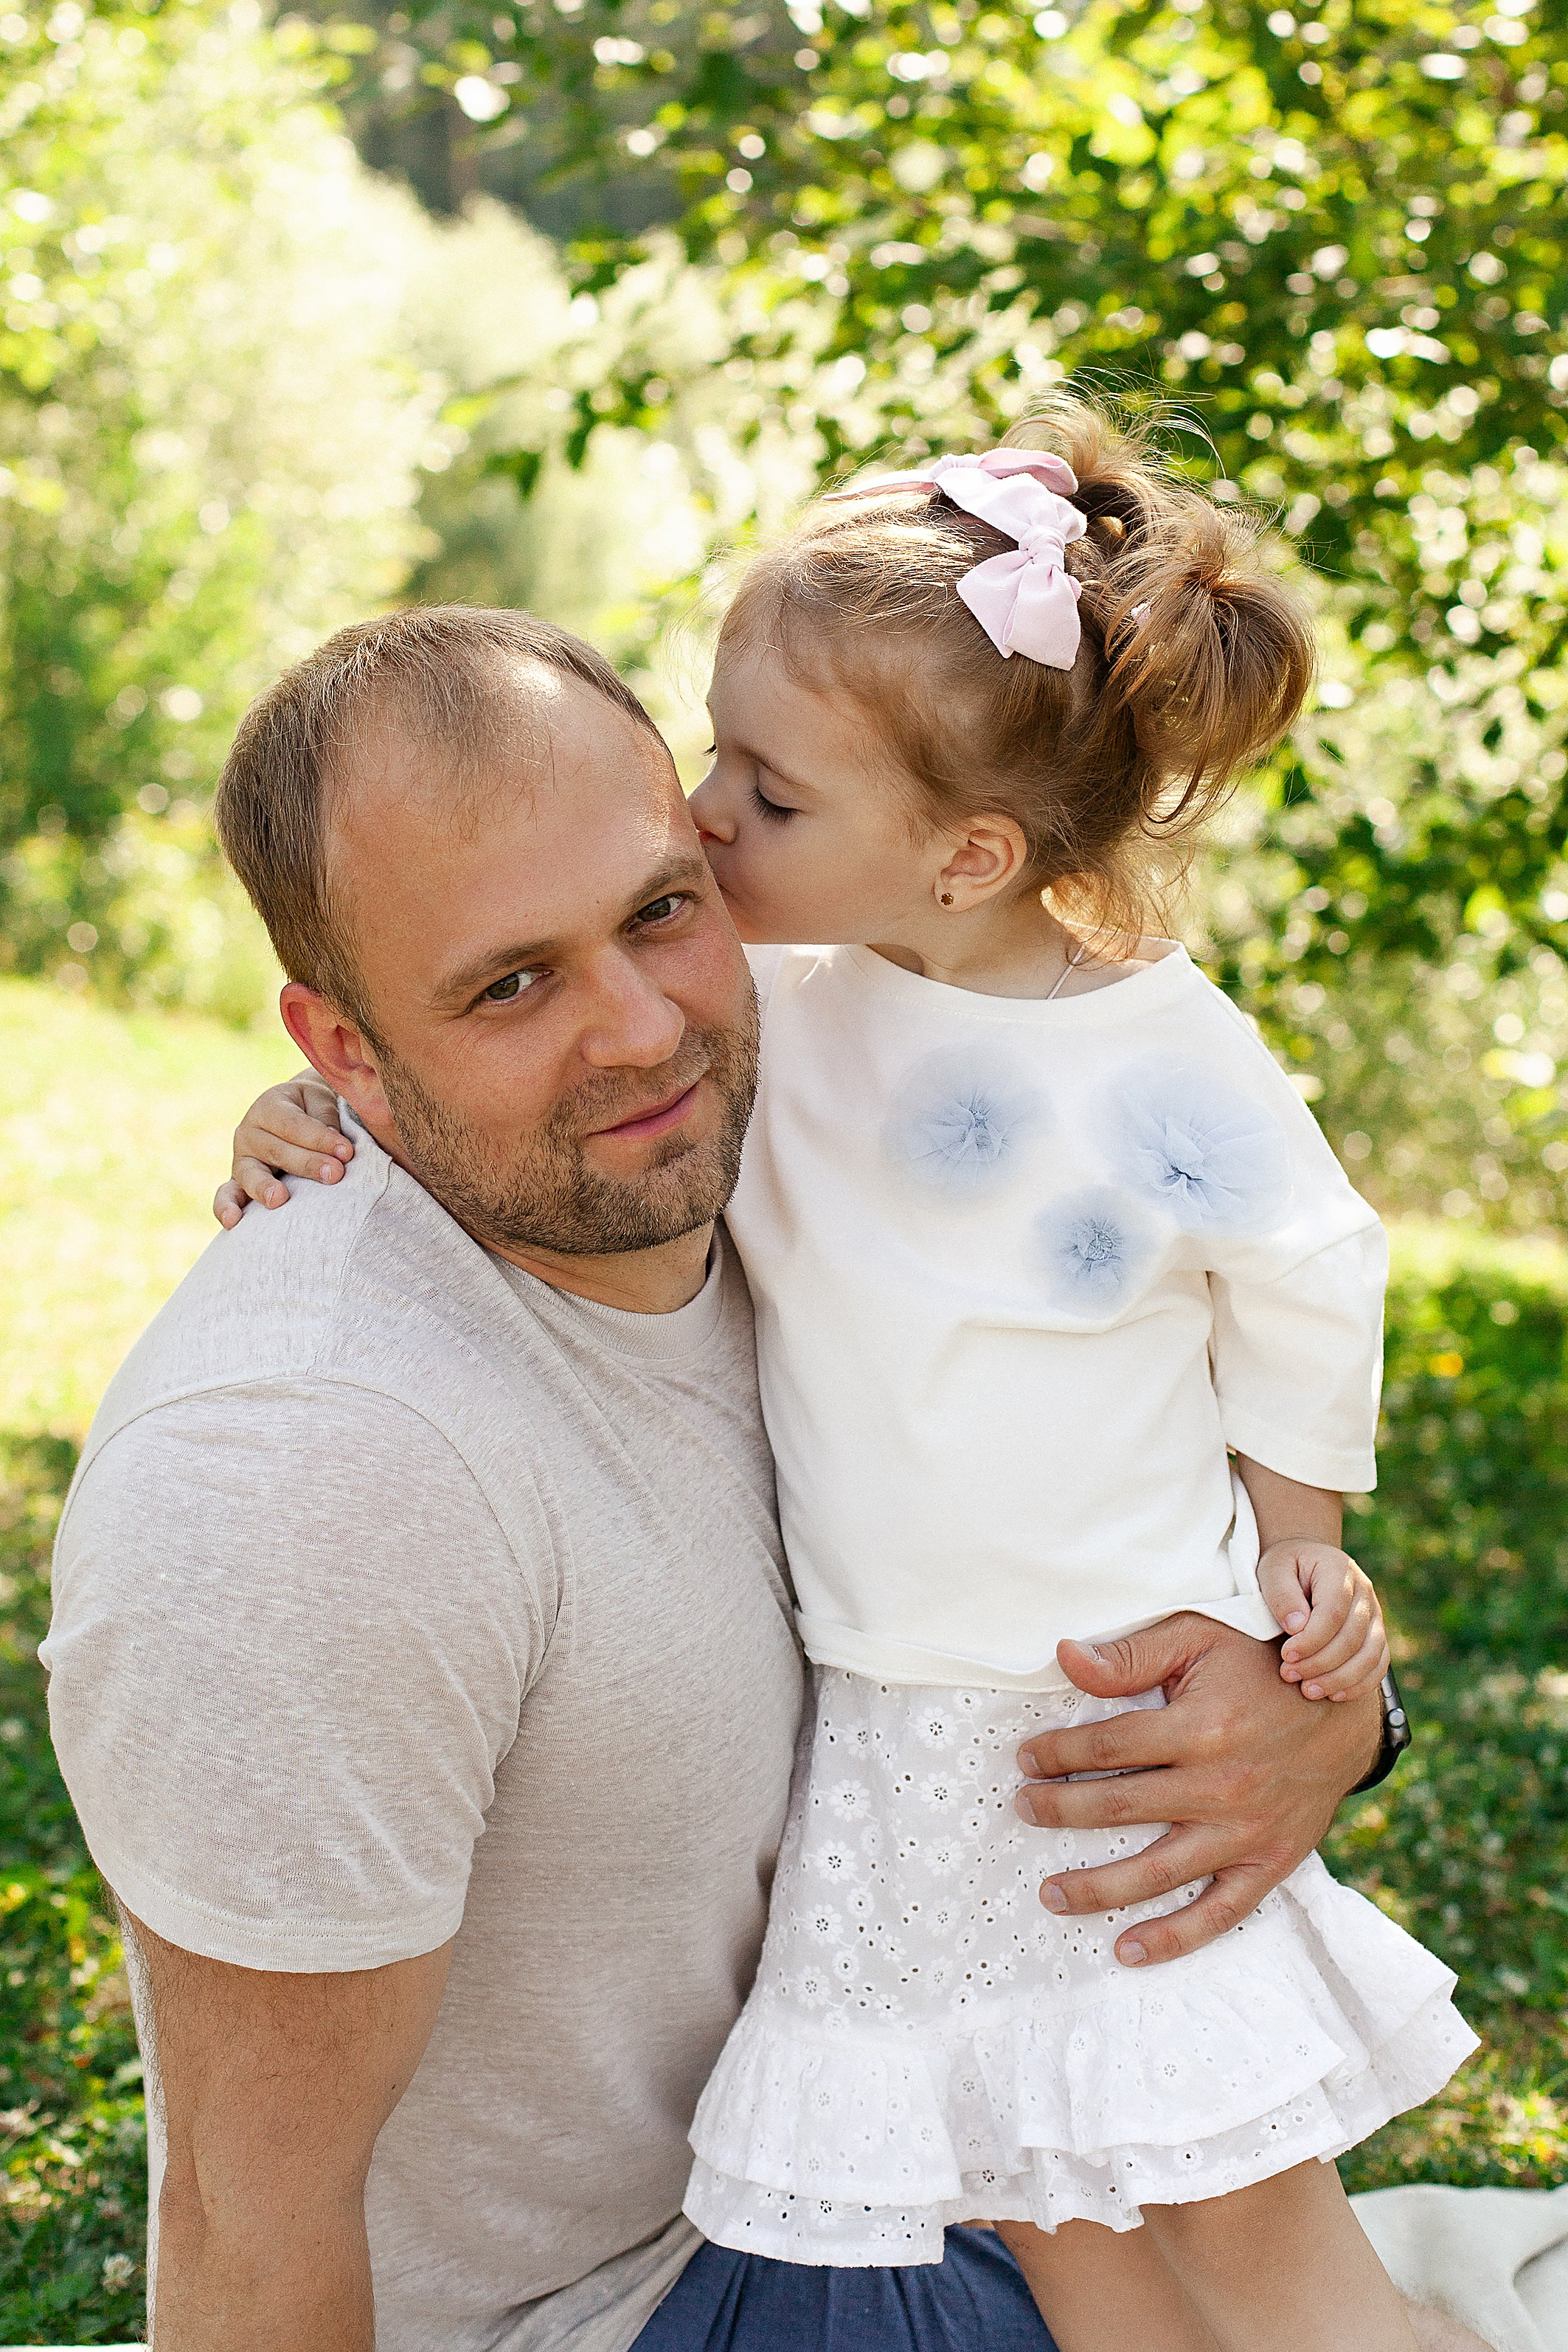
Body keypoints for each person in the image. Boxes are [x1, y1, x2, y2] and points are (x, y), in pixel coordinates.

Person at [222, 410, 1478, 2352]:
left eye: (771, 793)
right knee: (1045, 2209)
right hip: (903, 1737)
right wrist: (315, 1111)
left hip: (1111, 1720)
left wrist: (1301, 1543)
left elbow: (1315, 1271)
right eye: (716, 756)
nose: (706, 818)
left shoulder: (1161, 1058)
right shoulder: (783, 1016)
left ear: (968, 853)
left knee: (1249, 2238)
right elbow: (518, 1077)